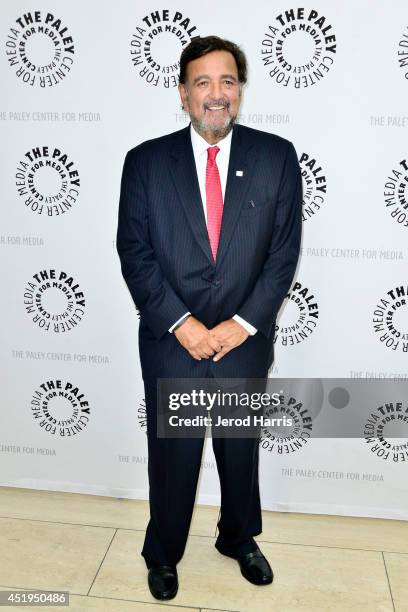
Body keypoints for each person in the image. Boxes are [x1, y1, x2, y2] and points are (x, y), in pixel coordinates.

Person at [116, 35, 302, 600]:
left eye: (227, 81)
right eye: (203, 82)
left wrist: (242, 324)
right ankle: (163, 550)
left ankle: (238, 536)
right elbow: (135, 251)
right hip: (175, 339)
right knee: (173, 456)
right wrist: (182, 323)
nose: (216, 94)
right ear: (183, 93)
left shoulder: (276, 156)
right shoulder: (146, 163)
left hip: (243, 340)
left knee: (239, 449)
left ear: (239, 91)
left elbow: (282, 253)